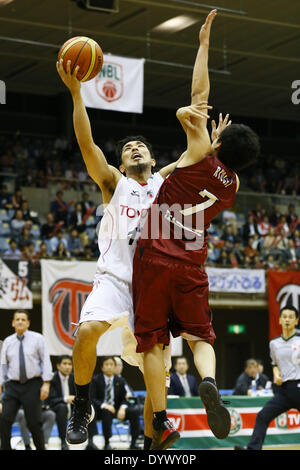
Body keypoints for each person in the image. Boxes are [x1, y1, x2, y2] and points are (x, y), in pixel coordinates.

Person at [56, 45, 210, 448]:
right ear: (121, 165)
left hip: (152, 286)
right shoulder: (114, 183)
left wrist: (215, 142)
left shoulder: (166, 180)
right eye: (127, 149)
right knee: (87, 331)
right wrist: (76, 94)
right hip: (114, 279)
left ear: (153, 157)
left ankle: (154, 433)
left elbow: (197, 153)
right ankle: (81, 405)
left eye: (140, 146)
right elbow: (87, 144)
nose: (134, 149)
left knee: (153, 369)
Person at [131, 9, 260, 450]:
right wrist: (218, 142)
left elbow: (199, 95)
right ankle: (209, 383)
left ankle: (163, 418)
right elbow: (220, 163)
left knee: (151, 341)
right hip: (192, 261)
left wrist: (203, 44)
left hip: (154, 256)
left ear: (218, 143)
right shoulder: (234, 184)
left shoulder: (200, 152)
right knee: (200, 335)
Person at [235, 305, 300, 450]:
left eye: (291, 317)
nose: (287, 319)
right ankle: (253, 448)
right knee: (263, 416)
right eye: (284, 317)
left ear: (296, 321)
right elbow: (275, 364)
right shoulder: (274, 343)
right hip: (284, 391)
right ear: (279, 320)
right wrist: (276, 373)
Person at [0, 310, 53, 450]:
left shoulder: (38, 339)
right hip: (12, 386)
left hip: (32, 384)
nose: (20, 322)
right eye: (17, 319)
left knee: (34, 422)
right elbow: (3, 366)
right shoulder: (8, 341)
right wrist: (0, 388)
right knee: (4, 419)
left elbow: (45, 361)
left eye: (23, 319)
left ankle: (41, 448)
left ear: (28, 323)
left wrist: (46, 384)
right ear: (12, 323)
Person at [87, 357, 141, 450]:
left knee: (134, 411)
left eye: (111, 364)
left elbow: (124, 398)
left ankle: (133, 443)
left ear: (115, 367)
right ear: (102, 367)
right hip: (100, 410)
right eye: (106, 365)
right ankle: (106, 443)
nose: (109, 367)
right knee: (106, 412)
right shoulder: (96, 380)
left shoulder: (119, 380)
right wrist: (105, 406)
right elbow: (92, 398)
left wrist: (123, 408)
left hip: (116, 409)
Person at [46, 355, 75, 450]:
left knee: (88, 406)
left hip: (72, 408)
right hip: (55, 408)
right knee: (62, 407)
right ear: (58, 366)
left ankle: (90, 441)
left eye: (70, 364)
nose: (67, 366)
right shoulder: (52, 378)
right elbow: (51, 400)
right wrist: (66, 398)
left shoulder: (74, 378)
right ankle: (64, 441)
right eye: (65, 363)